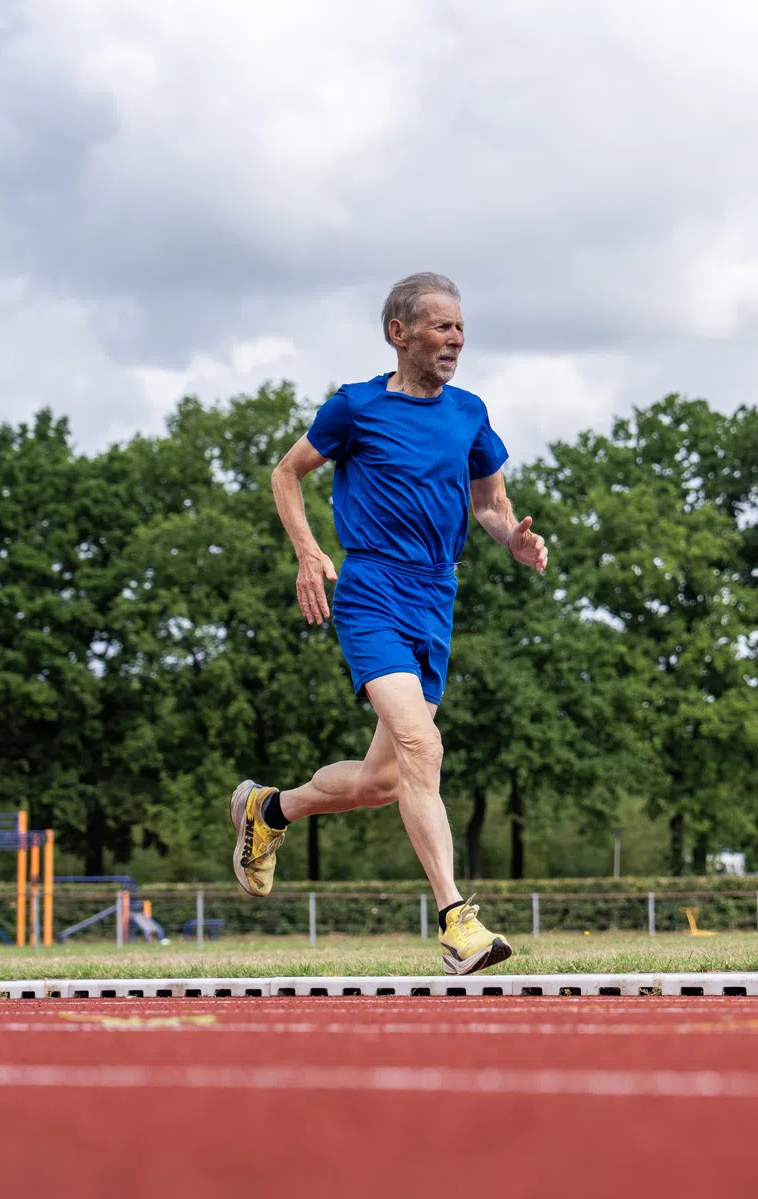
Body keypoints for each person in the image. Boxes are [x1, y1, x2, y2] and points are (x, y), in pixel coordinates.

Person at [229, 272, 547, 975]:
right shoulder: (356, 406)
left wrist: (514, 541)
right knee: (421, 747)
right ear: (399, 333)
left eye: (460, 328)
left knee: (382, 782)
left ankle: (268, 812)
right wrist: (308, 551)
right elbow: (287, 473)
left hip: (436, 597)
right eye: (441, 326)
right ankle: (457, 923)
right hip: (372, 588)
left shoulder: (469, 412)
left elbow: (490, 504)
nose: (455, 339)